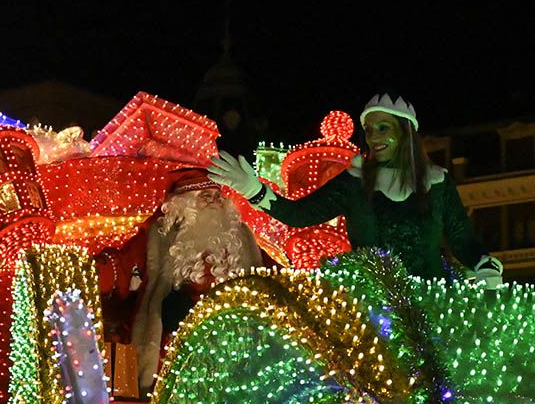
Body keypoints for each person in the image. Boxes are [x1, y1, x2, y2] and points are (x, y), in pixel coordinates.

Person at [208, 93, 502, 285]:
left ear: (406, 132)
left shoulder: (437, 183)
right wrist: (253, 189)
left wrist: (483, 264)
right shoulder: (355, 181)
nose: (373, 137)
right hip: (372, 306)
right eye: (370, 130)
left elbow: (461, 237)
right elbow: (299, 214)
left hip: (431, 303)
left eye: (383, 128)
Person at [132, 169, 264, 394]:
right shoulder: (162, 234)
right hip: (180, 327)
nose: (215, 202)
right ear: (187, 203)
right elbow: (127, 265)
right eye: (206, 196)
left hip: (231, 325)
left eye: (218, 197)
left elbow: (267, 275)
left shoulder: (240, 234)